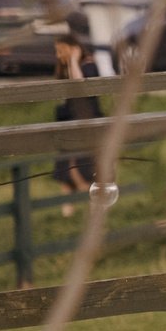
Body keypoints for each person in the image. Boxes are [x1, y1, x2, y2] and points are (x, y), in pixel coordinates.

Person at [49, 32, 102, 215]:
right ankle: (67, 210)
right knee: (65, 167)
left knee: (86, 167)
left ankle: (93, 204)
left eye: (61, 51)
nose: (58, 55)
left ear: (74, 49)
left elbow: (80, 87)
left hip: (86, 126)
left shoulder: (89, 67)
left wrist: (73, 60)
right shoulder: (65, 70)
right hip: (69, 125)